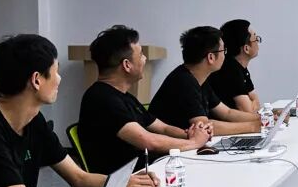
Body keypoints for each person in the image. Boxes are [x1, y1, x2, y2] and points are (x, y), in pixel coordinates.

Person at [0, 35, 159, 187]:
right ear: (37, 80)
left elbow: (79, 178)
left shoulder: (34, 120)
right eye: (56, 71)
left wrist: (127, 183)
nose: (59, 79)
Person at [79, 26, 211, 175]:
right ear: (127, 65)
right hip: (128, 181)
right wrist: (193, 143)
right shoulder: (102, 98)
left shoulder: (124, 97)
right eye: (141, 54)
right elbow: (148, 141)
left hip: (147, 171)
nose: (145, 59)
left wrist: (191, 133)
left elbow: (163, 128)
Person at [149, 26, 260, 137]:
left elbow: (227, 113)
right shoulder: (184, 82)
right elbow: (204, 126)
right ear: (211, 57)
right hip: (168, 146)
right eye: (223, 51)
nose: (225, 55)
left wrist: (261, 119)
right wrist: (252, 127)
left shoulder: (200, 78)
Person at [208, 19, 262, 113]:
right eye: (255, 39)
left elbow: (255, 101)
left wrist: (253, 103)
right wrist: (253, 103)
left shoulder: (240, 67)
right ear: (246, 48)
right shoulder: (230, 70)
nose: (258, 42)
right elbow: (248, 111)